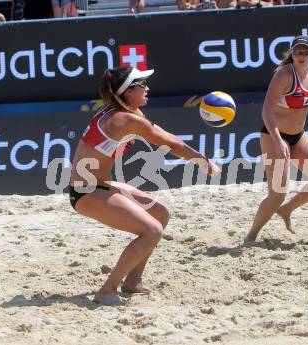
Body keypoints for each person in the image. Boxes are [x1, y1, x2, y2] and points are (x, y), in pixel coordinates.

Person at [69, 66, 220, 305]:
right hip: (86, 192)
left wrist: (198, 157)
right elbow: (169, 143)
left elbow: (167, 136)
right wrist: (202, 161)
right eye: (142, 85)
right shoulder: (123, 119)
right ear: (129, 91)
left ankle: (133, 281)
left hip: (101, 184)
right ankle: (107, 290)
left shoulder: (128, 112)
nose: (147, 88)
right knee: (151, 231)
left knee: (160, 213)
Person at [245, 36, 308, 242]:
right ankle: (251, 236)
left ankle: (286, 211)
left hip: (298, 135)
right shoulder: (283, 75)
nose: (302, 55)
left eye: (306, 52)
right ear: (292, 54)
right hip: (274, 135)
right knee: (277, 193)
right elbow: (267, 110)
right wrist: (277, 141)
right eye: (298, 52)